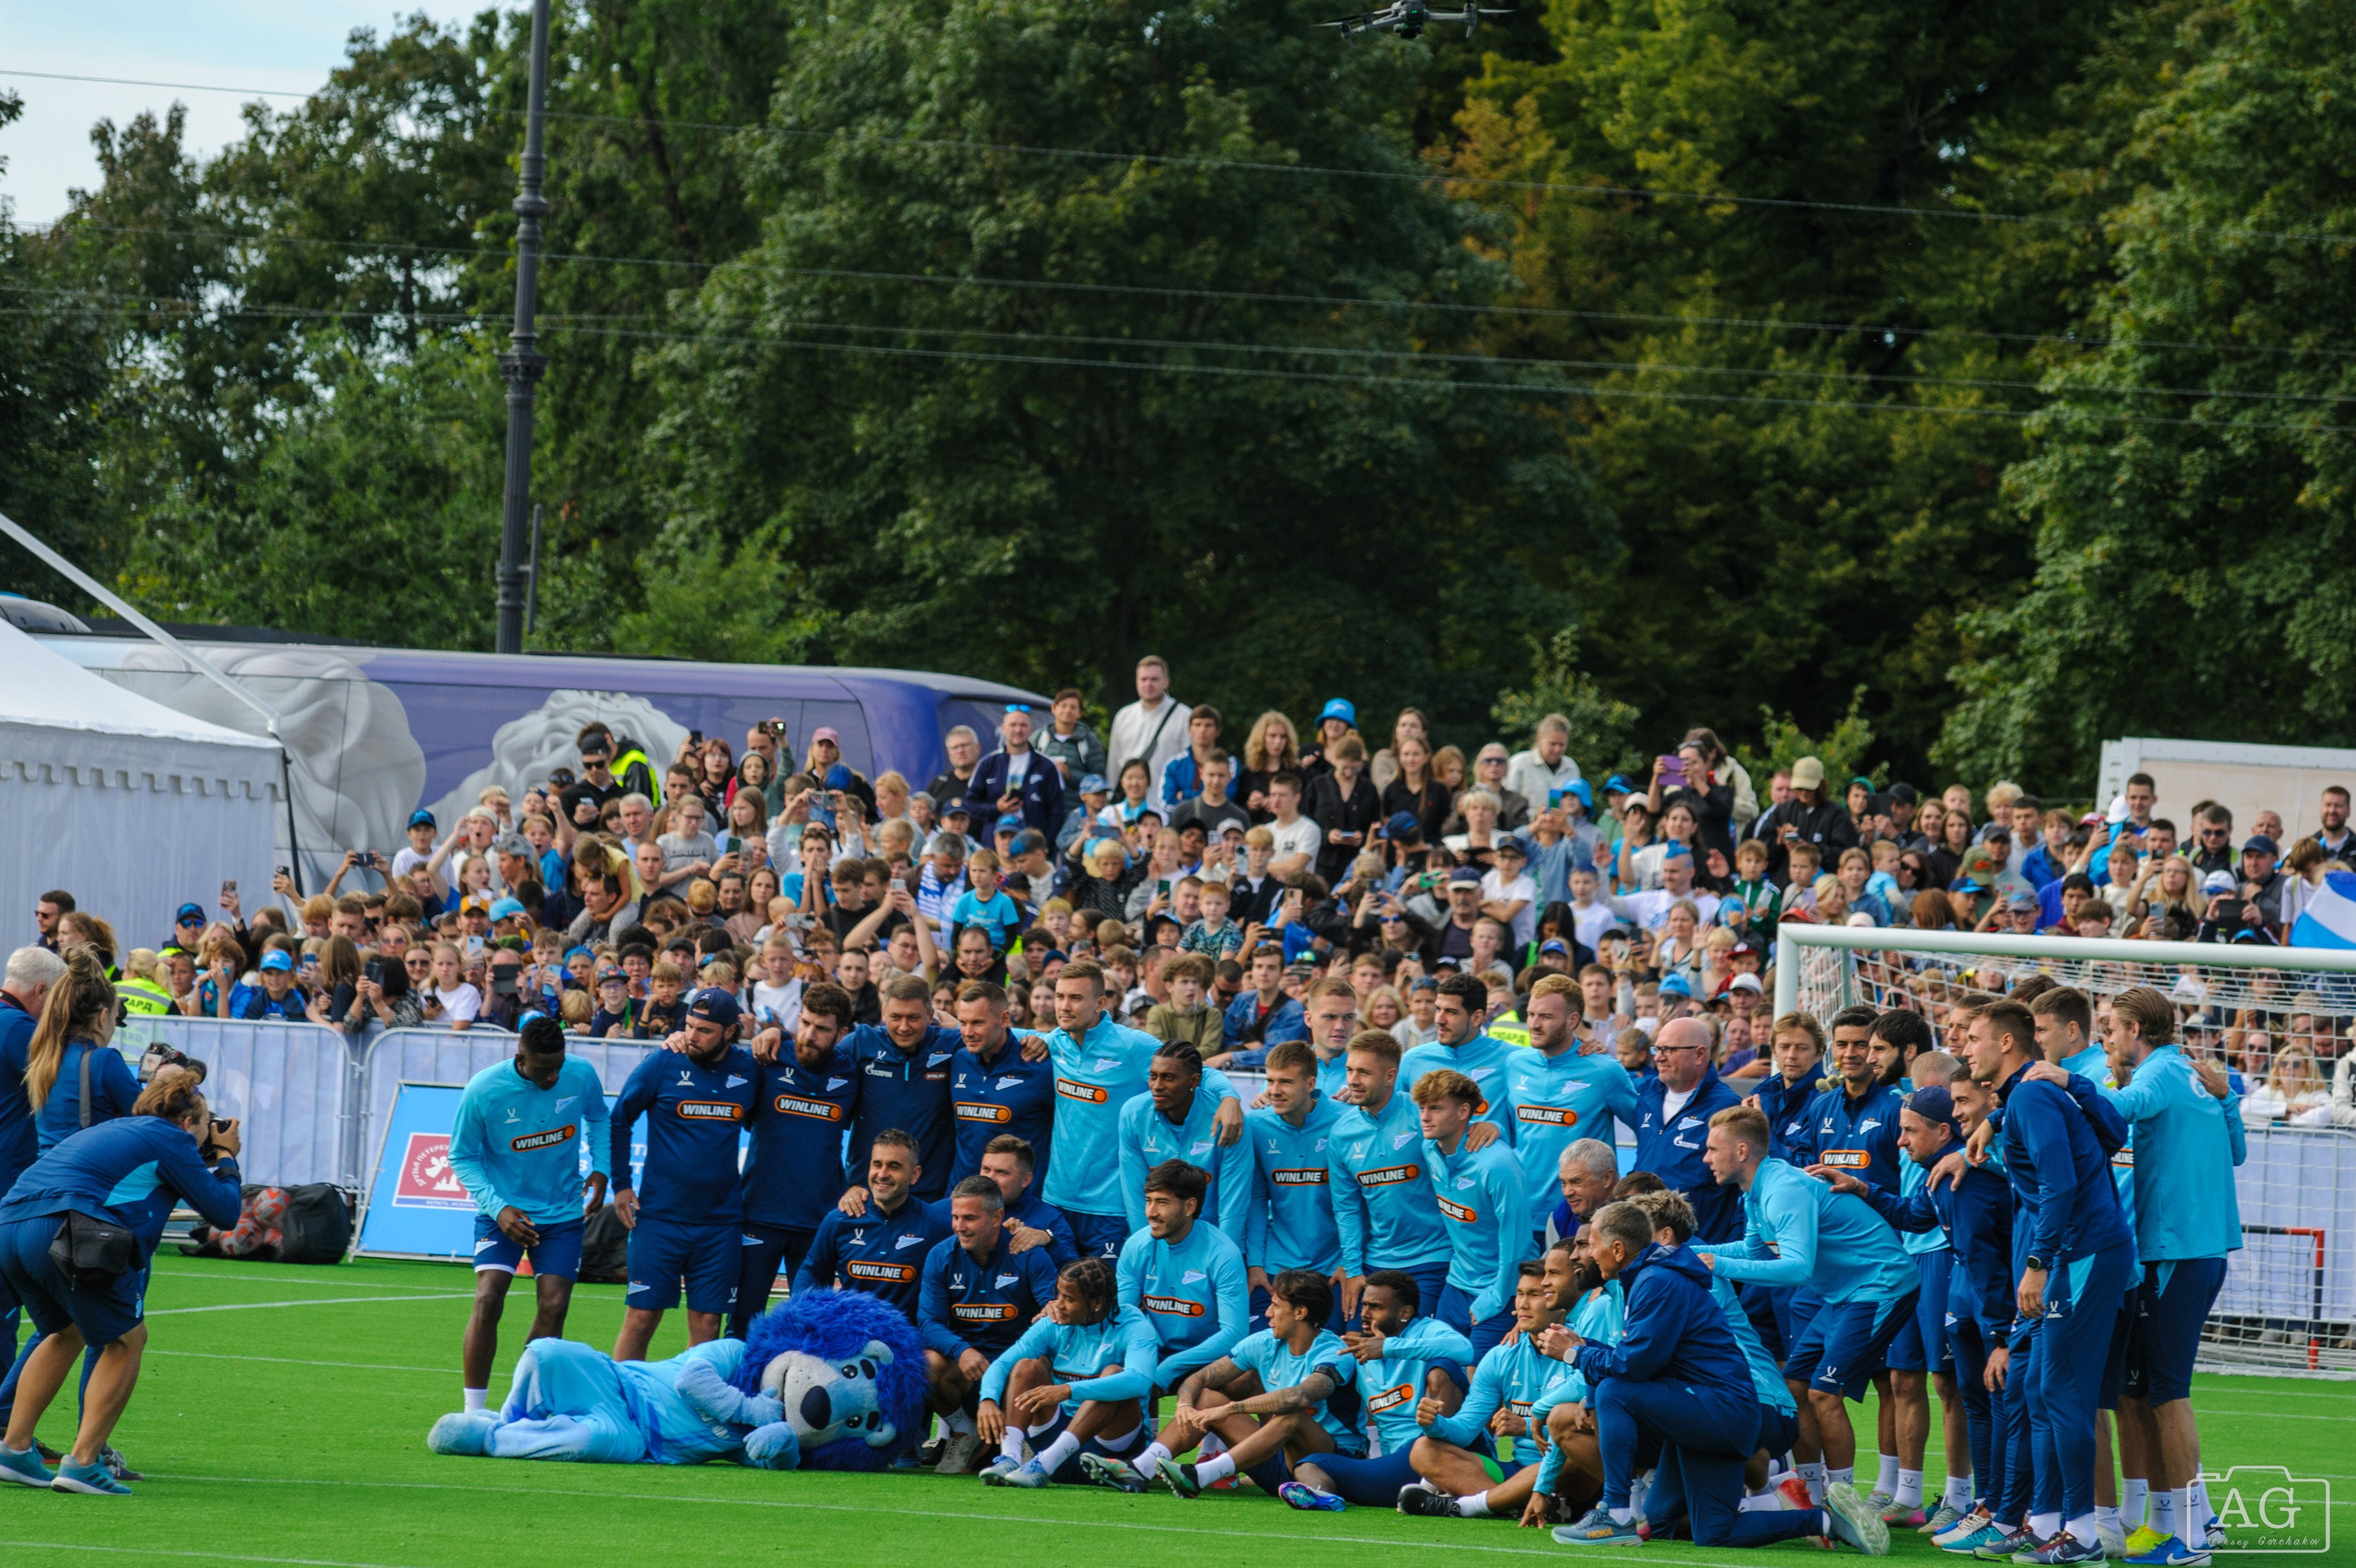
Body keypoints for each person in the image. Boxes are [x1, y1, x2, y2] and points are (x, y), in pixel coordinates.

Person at [2027, 986, 2245, 1565]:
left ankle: (2197, 1536)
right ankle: (2174, 1522)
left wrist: (2066, 1082)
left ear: (2136, 1031)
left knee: (2168, 1393)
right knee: (2142, 1393)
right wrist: (2228, 1102)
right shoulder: (2192, 1076)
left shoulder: (2160, 1074)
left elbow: (2120, 1110)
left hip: (2176, 1252)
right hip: (2183, 1250)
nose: (2105, 1040)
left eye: (2110, 1029)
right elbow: (2238, 1152)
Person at [1550, 1200, 1884, 1553]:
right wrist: (1585, 1347)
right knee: (1703, 1530)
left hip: (1720, 1411)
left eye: (1591, 1244)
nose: (1585, 1254)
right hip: (1712, 1412)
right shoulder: (1650, 1276)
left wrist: (1574, 1353)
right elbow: (1644, 1357)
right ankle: (1825, 1519)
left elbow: (1636, 1366)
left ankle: (1615, 1513)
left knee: (1615, 1391)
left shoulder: (1655, 1279)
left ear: (1618, 1249)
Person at [0, 1066, 242, 1493]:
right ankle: (84, 1462)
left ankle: (14, 1449)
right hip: (63, 1225)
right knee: (127, 1339)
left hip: (12, 1223)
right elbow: (224, 1213)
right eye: (205, 1124)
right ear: (188, 1122)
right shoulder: (173, 1138)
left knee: (62, 1331)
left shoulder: (121, 1129)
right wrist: (226, 1157)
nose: (206, 1132)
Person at [1958, 1000, 2136, 1565]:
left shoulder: (2033, 1095)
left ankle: (2082, 1535)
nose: (1964, 1049)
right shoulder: (2031, 1096)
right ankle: (2044, 1522)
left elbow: (2059, 1184)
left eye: (1973, 1038)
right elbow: (2112, 1133)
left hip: (2079, 1253)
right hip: (2077, 1251)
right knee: (2038, 1388)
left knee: (2062, 1392)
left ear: (2006, 1044)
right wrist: (1997, 1117)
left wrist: (2038, 1262)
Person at [1692, 1105, 1917, 1514]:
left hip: (1882, 1285)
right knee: (1794, 1388)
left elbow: (1797, 1267)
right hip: (1844, 1294)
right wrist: (1689, 1253)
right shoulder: (1757, 1191)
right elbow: (1752, 1251)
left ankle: (1846, 1503)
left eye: (1711, 1149)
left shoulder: (1783, 1190)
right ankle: (1811, 1497)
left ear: (1742, 1151)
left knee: (1823, 1393)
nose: (1705, 1158)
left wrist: (1716, 1264)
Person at [446, 1015, 611, 1415]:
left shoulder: (580, 1073)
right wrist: (498, 1208)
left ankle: (521, 1405)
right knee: (488, 1298)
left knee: (554, 1306)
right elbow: (461, 1156)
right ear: (520, 1056)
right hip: (502, 1210)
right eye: (543, 1069)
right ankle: (474, 1411)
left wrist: (601, 1167)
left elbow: (600, 1117)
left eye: (558, 1065)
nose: (554, 1076)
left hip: (561, 1211)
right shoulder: (483, 1090)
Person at [1086, 1266, 1357, 1499]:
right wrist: (1184, 1403)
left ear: (1300, 1312)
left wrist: (1231, 1409)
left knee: (1292, 1416)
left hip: (1329, 1465)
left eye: (1275, 1305)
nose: (1267, 1314)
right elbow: (1201, 1377)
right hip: (1278, 1461)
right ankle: (1139, 1470)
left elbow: (1299, 1398)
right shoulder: (1264, 1342)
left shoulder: (1333, 1352)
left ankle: (1199, 1475)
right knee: (1207, 1397)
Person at [1036, 959, 1241, 1262]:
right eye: (1060, 996)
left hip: (1110, 1208)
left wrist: (1229, 1097)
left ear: (1100, 1003)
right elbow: (1003, 1034)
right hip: (1056, 1200)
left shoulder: (1131, 1044)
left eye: (1076, 998)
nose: (1064, 1006)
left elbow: (1191, 1066)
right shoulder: (1055, 1042)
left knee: (1107, 1302)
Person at [608, 990, 760, 1360]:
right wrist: (622, 1184)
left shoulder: (749, 1070)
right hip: (660, 1216)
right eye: (689, 1026)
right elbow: (619, 1119)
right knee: (642, 1317)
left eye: (704, 1030)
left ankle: (693, 1413)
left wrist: (773, 1034)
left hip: (720, 1223)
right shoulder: (663, 1062)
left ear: (730, 1032)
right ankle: (620, 1407)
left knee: (708, 1323)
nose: (692, 1036)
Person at [1276, 1268, 1472, 1511]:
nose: (1365, 1314)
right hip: (1394, 1465)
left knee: (1442, 1366)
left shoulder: (1427, 1331)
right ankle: (1322, 1498)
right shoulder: (1361, 1351)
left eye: (1376, 1307)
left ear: (1405, 1313)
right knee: (1311, 1464)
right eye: (1364, 1306)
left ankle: (1435, 1483)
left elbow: (1464, 1349)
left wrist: (1389, 1347)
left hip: (1434, 1454)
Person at [732, 981, 860, 1335]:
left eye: (822, 1029)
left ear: (842, 1033)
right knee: (744, 1322)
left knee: (811, 1327)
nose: (809, 1035)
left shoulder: (852, 1073)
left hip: (818, 1221)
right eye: (805, 1023)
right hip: (759, 1214)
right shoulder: (767, 1059)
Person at [976, 1257, 1162, 1487]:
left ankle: (1044, 1464)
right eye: (1059, 1295)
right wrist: (987, 1399)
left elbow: (1139, 1381)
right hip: (1055, 1440)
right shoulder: (1054, 1321)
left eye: (1069, 1299)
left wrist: (1067, 1390)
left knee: (1114, 1373)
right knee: (1027, 1366)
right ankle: (1010, 1458)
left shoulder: (1135, 1325)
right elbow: (1003, 1364)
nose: (1058, 1304)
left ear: (1097, 1303)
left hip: (1107, 1455)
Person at [1396, 1260, 1562, 1520]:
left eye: (1534, 1295)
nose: (1523, 1304)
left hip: (1565, 1470)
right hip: (1516, 1471)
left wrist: (1526, 1426)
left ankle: (1474, 1505)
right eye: (1519, 1294)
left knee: (1570, 1450)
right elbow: (1465, 1430)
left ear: (1556, 1299)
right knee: (1423, 1449)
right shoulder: (1500, 1357)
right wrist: (1435, 1424)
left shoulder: (1578, 1351)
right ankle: (1515, 1505)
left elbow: (1589, 1429)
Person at [917, 1174, 1059, 1473]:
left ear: (997, 1217)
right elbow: (928, 1322)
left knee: (1035, 1363)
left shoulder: (1030, 1255)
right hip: (968, 1369)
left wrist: (1047, 1313)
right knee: (923, 1362)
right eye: (955, 1217)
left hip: (1016, 1373)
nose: (959, 1226)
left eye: (969, 1218)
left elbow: (1053, 1313)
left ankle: (1018, 1437)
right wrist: (961, 1350)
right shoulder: (941, 1256)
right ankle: (962, 1431)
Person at [1329, 1030, 1454, 1324]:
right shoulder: (1341, 1133)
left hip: (1432, 1258)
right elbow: (1346, 1208)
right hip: (1376, 1263)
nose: (1353, 1080)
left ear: (1390, 1076)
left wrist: (1491, 1127)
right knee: (1358, 1346)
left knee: (1415, 1346)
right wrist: (1354, 1268)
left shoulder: (1420, 1113)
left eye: (1364, 1072)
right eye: (1349, 1070)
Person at [1497, 974, 1640, 1228]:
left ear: (1572, 1020)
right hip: (1523, 1214)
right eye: (1531, 1014)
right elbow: (1509, 1132)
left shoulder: (1604, 1070)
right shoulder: (1515, 1063)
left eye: (1546, 1017)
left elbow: (1647, 1131)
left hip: (1584, 1220)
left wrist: (1631, 1190)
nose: (1534, 1024)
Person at [1412, 1067, 1529, 1359]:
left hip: (1501, 1288)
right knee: (1438, 1372)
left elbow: (1517, 1242)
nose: (1425, 1116)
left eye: (1436, 1108)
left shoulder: (1498, 1164)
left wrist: (1497, 1297)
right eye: (1422, 1108)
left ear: (1464, 1110)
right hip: (1456, 1283)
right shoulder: (1429, 1149)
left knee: (1479, 1380)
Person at [1115, 1159, 1250, 1404]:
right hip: (1154, 1351)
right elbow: (1122, 1315)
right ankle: (1145, 1437)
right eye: (1148, 1200)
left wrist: (1171, 1367)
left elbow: (1234, 1333)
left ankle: (1216, 1442)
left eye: (1162, 1202)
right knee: (1115, 1369)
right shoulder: (1136, 1246)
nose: (1150, 1213)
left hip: (1207, 1355)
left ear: (1189, 1206)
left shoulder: (1223, 1253)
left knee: (1245, 1374)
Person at [794, 1129, 951, 1321]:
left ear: (914, 1175)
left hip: (908, 1342)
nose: (882, 1174)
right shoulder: (840, 1220)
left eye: (894, 1166)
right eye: (877, 1164)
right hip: (851, 1338)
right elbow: (813, 1270)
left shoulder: (936, 1225)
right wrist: (803, 1309)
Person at [1243, 1040, 1348, 1327]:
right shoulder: (1256, 1125)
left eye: (1286, 1082)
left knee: (1332, 1352)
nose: (1274, 1091)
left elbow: (1360, 1202)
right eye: (1270, 1081)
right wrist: (1255, 1264)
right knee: (1259, 1352)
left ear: (1310, 1082)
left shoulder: (1345, 1121)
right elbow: (1254, 1201)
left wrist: (1348, 1262)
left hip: (1333, 1268)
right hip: (1278, 1266)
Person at [1116, 1043, 1253, 1239]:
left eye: (1168, 1078)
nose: (1157, 1086)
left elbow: (1233, 1204)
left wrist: (1225, 1253)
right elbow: (1135, 1195)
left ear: (1194, 1081)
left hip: (1213, 1238)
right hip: (1158, 1237)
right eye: (1153, 1076)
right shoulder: (1133, 1114)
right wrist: (1146, 1247)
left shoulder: (1228, 1121)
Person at [1634, 1016, 1744, 1241]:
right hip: (1643, 1238)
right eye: (1657, 1048)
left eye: (1670, 1050)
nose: (1659, 1057)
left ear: (1700, 1054)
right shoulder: (1646, 1093)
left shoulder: (1725, 1107)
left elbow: (1741, 1181)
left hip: (1695, 1244)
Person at [964, 705, 1066, 840]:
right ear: (1003, 728)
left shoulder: (1046, 766)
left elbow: (1057, 812)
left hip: (1032, 846)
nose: (1018, 730)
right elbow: (970, 804)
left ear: (1030, 729)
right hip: (996, 846)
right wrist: (996, 808)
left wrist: (1046, 845)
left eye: (1023, 725)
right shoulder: (988, 763)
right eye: (1013, 725)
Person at [1106, 656, 1193, 790]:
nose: (1148, 684)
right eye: (1143, 679)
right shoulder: (1123, 716)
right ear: (1136, 682)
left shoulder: (1185, 717)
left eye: (1154, 679)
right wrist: (1111, 796)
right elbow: (1113, 764)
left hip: (1167, 804)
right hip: (1129, 805)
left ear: (1166, 682)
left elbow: (1189, 765)